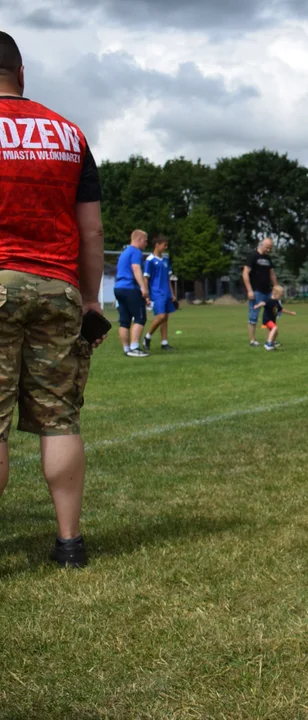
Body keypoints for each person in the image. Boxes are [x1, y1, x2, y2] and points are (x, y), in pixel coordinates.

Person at [0, 30, 107, 567]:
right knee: (60, 418)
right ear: (21, 74)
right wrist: (90, 299)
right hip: (57, 286)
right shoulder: (68, 133)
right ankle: (69, 543)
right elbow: (91, 232)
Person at [114, 230, 150, 357]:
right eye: (145, 241)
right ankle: (134, 347)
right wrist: (143, 288)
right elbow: (136, 269)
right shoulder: (136, 251)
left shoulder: (124, 252)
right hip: (130, 288)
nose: (146, 244)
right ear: (139, 239)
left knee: (124, 320)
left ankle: (126, 349)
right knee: (140, 318)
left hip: (118, 288)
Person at [142, 235, 177, 351]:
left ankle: (164, 342)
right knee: (161, 316)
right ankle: (147, 337)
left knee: (165, 317)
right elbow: (146, 278)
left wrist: (172, 293)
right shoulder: (150, 260)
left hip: (166, 292)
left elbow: (168, 278)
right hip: (157, 292)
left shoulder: (166, 260)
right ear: (157, 245)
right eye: (164, 245)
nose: (166, 247)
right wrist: (146, 294)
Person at [243, 237, 277, 347]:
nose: (268, 250)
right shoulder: (253, 256)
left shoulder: (268, 258)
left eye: (270, 248)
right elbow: (245, 273)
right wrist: (249, 290)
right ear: (261, 245)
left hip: (268, 292)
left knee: (270, 316)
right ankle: (253, 341)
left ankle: (270, 339)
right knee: (253, 316)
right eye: (267, 248)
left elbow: (272, 273)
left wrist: (276, 287)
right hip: (256, 291)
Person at [253, 285, 295, 350]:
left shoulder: (276, 302)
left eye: (282, 296)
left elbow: (281, 310)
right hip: (267, 320)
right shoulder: (269, 300)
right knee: (274, 328)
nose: (281, 297)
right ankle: (268, 344)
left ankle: (271, 343)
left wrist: (290, 313)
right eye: (280, 295)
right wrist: (257, 306)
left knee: (276, 333)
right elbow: (263, 303)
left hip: (272, 320)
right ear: (274, 293)